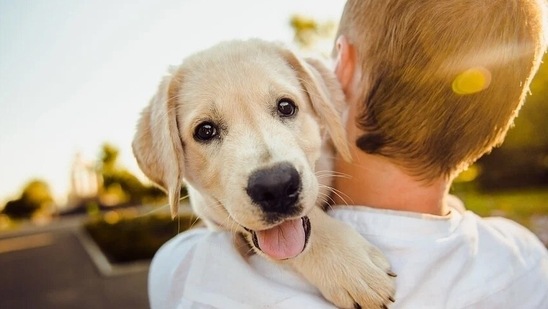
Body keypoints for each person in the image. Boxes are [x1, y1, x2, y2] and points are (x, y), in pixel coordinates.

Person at [148, 0, 548, 308]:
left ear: (340, 70)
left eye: (285, 108)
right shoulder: (526, 260)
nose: (269, 173)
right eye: (207, 131)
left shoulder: (188, 274)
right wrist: (316, 239)